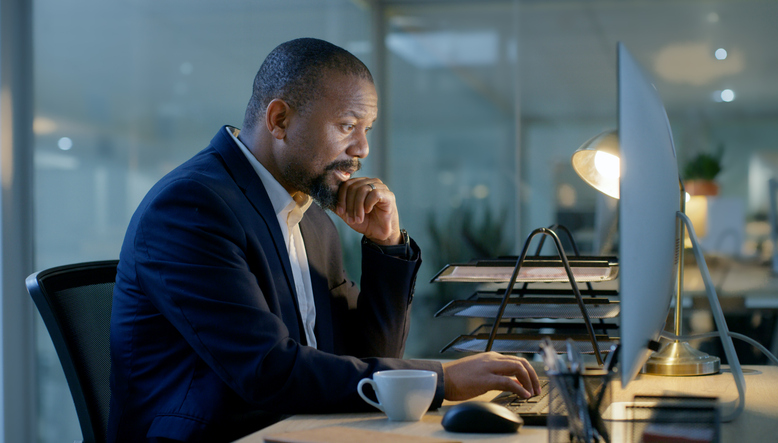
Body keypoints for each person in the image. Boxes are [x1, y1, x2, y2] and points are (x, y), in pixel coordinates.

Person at [108, 38, 540, 443]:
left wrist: (386, 246)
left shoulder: (311, 217)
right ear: (280, 120)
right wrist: (441, 381)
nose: (363, 148)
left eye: (366, 128)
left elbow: (371, 355)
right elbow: (267, 371)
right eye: (347, 125)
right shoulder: (192, 208)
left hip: (302, 427)